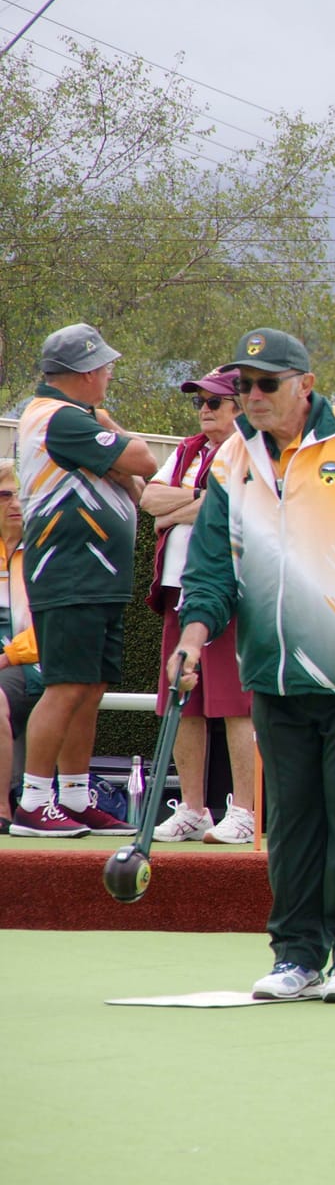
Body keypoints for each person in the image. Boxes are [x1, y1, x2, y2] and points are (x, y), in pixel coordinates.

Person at [171, 328, 335, 1003]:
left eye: (266, 384)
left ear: (303, 385)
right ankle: (298, 954)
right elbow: (211, 569)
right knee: (290, 823)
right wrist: (193, 639)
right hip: (274, 676)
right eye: (244, 386)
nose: (252, 397)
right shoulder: (232, 460)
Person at [10, 324, 157, 837]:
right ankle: (33, 802)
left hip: (95, 575)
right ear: (86, 372)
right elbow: (144, 461)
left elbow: (134, 479)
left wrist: (114, 457)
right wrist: (110, 431)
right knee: (66, 686)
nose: (111, 372)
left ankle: (72, 796)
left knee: (89, 687)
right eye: (106, 365)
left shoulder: (69, 418)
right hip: (70, 573)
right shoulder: (60, 419)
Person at [143, 369, 262, 845]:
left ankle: (246, 812)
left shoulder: (253, 449)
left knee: (236, 705)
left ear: (240, 405)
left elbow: (233, 504)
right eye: (200, 404)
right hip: (180, 592)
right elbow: (149, 498)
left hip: (231, 593)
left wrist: (177, 512)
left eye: (214, 402)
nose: (204, 411)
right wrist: (194, 500)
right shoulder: (189, 449)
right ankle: (194, 809)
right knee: (183, 702)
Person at [0, 461, 44, 826]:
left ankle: (2, 807)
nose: (16, 504)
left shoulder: (47, 551)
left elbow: (54, 625)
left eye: (22, 495)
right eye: (4, 495)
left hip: (34, 665)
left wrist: (7, 656)